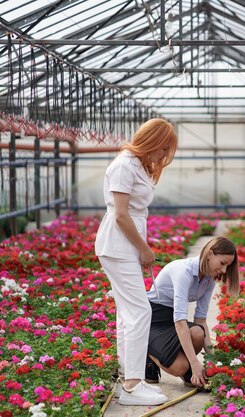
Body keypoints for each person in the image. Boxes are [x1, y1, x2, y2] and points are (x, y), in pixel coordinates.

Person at [95, 118, 177, 406]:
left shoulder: (136, 165)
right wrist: (143, 249)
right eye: (163, 149)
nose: (164, 156)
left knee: (127, 312)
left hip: (125, 246)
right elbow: (120, 215)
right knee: (140, 311)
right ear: (152, 141)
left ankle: (128, 380)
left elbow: (132, 213)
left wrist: (140, 249)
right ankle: (132, 383)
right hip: (118, 245)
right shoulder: (123, 166)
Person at [145, 236, 240, 389]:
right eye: (222, 263)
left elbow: (201, 320)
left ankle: (182, 364)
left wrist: (212, 362)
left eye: (227, 266)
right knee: (180, 367)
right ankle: (146, 354)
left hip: (172, 321)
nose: (223, 270)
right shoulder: (183, 272)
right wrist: (194, 363)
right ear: (209, 254)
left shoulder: (209, 278)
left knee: (198, 333)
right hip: (152, 321)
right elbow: (181, 322)